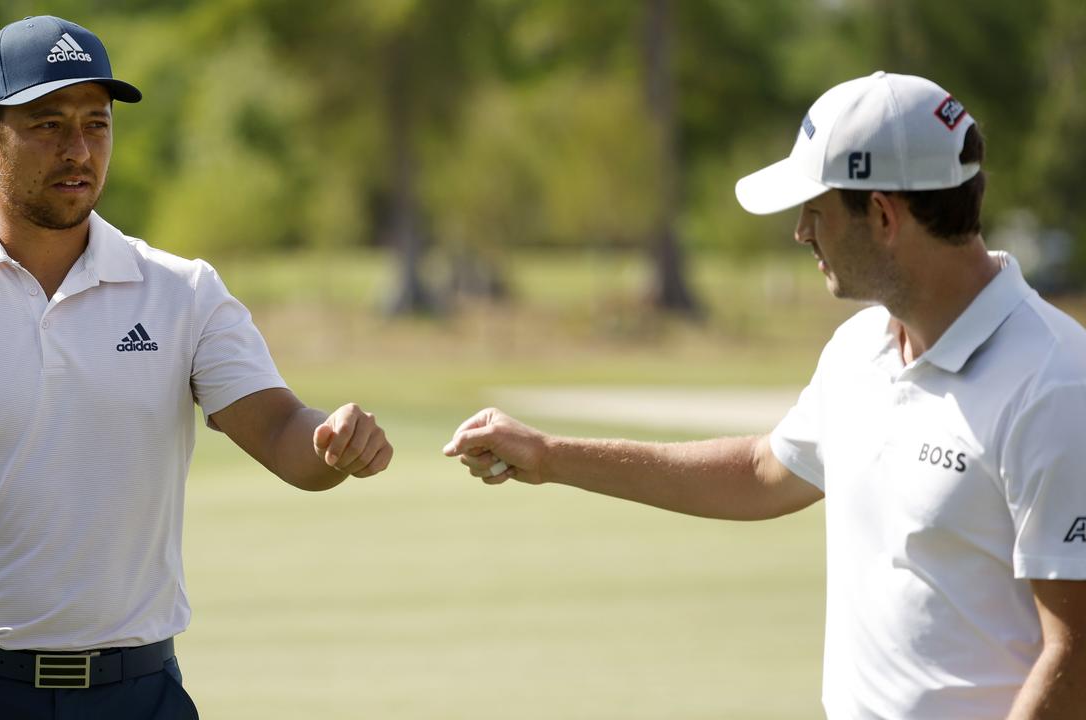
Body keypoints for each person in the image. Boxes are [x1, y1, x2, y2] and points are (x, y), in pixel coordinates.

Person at [443, 71, 1086, 719]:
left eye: (817, 211)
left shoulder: (1054, 383)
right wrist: (551, 456)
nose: (802, 232)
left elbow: (1076, 654)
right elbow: (762, 473)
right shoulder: (860, 348)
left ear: (884, 215)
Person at [0, 15, 393, 720]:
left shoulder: (183, 292)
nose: (78, 149)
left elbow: (279, 431)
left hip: (140, 693)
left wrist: (331, 444)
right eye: (48, 124)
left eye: (96, 123)